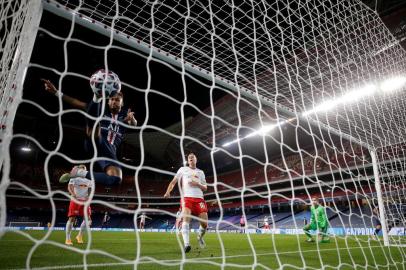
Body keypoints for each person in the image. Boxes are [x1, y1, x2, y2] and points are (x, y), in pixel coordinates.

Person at [41, 75, 137, 186]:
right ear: (108, 101)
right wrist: (56, 92)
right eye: (111, 99)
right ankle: (96, 97)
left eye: (117, 100)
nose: (114, 102)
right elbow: (76, 102)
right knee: (93, 115)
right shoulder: (102, 112)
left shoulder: (124, 117)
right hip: (96, 140)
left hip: (109, 152)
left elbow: (134, 123)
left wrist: (132, 119)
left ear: (122, 103)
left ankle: (80, 173)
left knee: (115, 179)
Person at [164, 153, 208, 253]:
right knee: (186, 219)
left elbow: (205, 188)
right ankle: (187, 244)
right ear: (188, 161)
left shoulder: (200, 172)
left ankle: (200, 237)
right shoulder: (182, 169)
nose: (191, 159)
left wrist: (197, 184)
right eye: (189, 158)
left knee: (205, 224)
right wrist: (168, 191)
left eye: (193, 157)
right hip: (186, 198)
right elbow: (173, 182)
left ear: (196, 160)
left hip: (199, 199)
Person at [65, 165, 93, 245]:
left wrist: (89, 196)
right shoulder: (74, 178)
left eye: (84, 170)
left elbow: (90, 188)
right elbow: (69, 187)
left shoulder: (89, 179)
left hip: (85, 201)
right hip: (75, 200)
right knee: (72, 219)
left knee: (88, 220)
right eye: (81, 170)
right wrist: (73, 194)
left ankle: (79, 236)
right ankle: (68, 239)